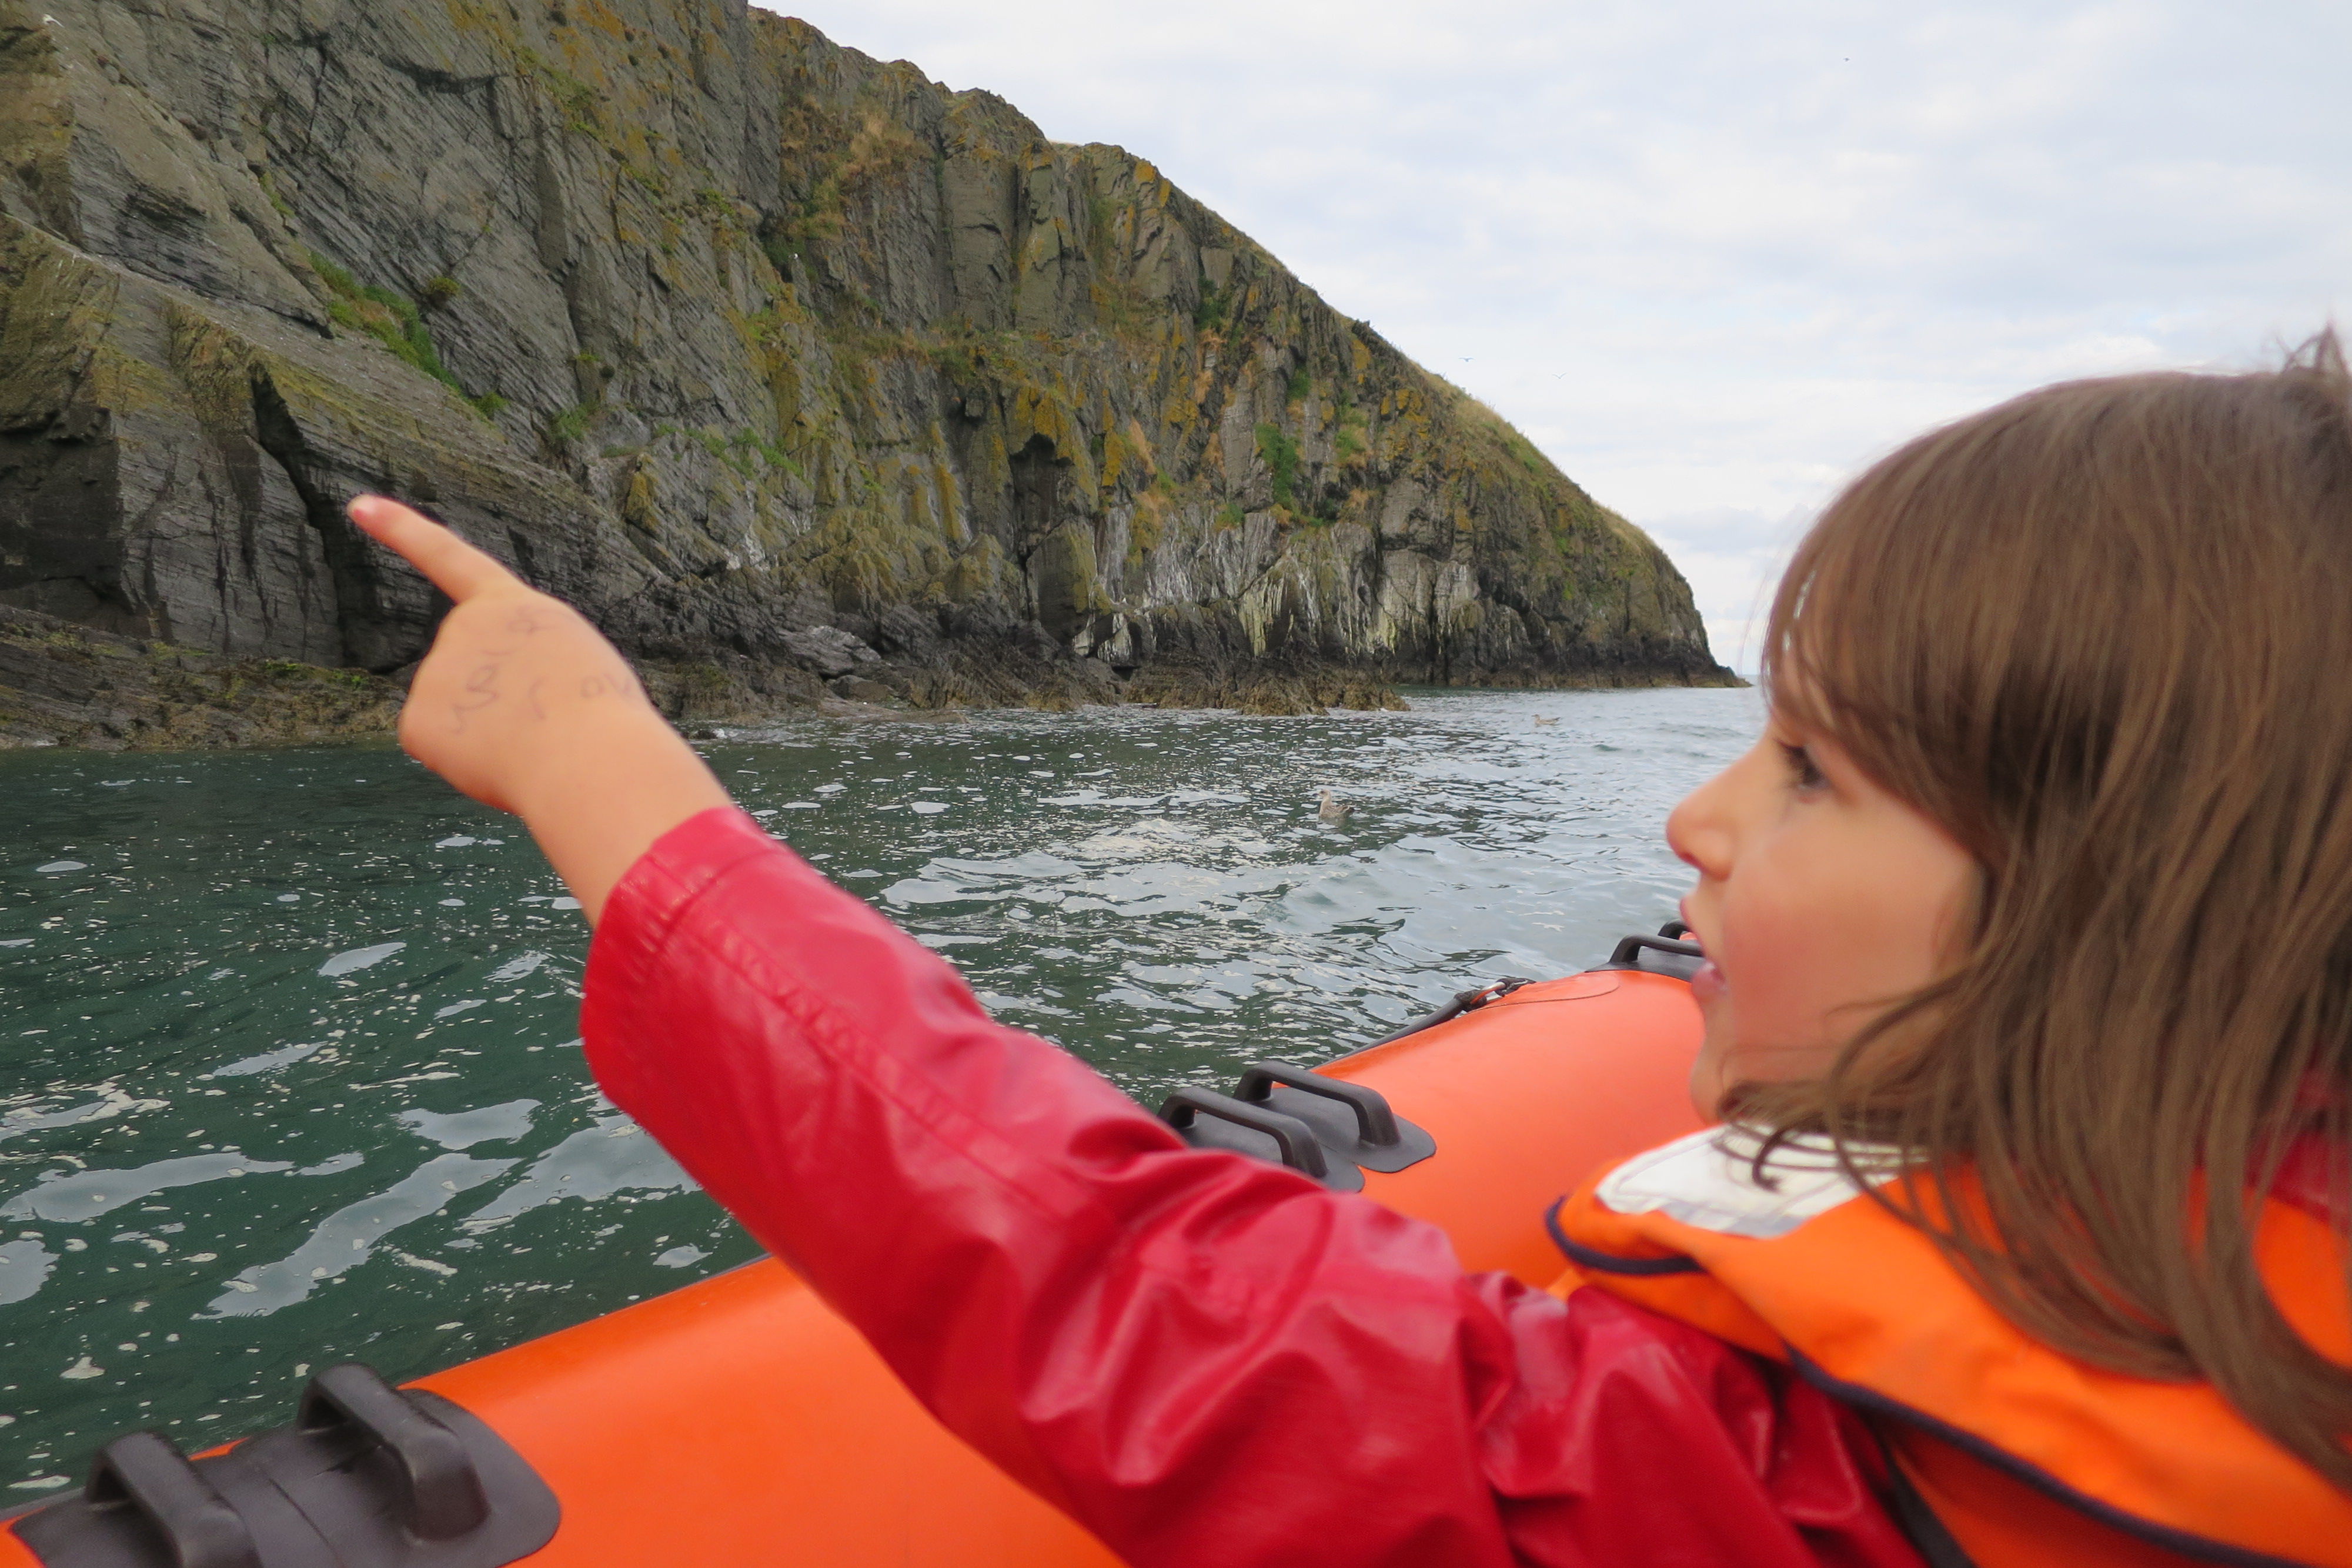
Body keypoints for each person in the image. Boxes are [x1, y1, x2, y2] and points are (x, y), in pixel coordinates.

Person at [347, 333, 2352, 1567]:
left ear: (2124, 902)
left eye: (1814, 768)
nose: (1699, 819)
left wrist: (612, 787)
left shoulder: (1782, 1496)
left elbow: (1121, 1286)